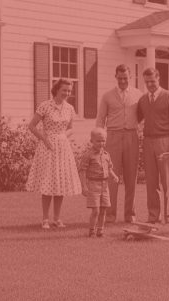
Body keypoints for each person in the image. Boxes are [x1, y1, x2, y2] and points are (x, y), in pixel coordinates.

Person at [26, 78, 82, 229]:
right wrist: (44, 138)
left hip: (63, 148)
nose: (67, 93)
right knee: (48, 182)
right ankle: (45, 219)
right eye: (64, 90)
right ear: (56, 89)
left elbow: (71, 128)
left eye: (69, 91)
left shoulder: (69, 108)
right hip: (47, 147)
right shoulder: (45, 106)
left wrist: (64, 135)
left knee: (60, 183)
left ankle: (57, 218)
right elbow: (32, 126)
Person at [95, 65, 143, 224]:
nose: (123, 81)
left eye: (126, 78)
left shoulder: (138, 94)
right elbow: (100, 120)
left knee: (131, 177)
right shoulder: (107, 96)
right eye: (120, 78)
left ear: (130, 77)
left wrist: (140, 132)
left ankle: (130, 214)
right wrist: (99, 141)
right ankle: (110, 214)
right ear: (115, 76)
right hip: (113, 136)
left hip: (131, 136)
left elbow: (143, 117)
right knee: (111, 177)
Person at [137, 67, 169, 224]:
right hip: (148, 142)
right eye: (147, 82)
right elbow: (138, 121)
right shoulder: (143, 100)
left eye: (152, 81)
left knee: (168, 181)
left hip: (165, 140)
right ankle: (153, 215)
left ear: (158, 78)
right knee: (151, 181)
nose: (150, 85)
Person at [78, 128, 120, 237]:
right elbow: (82, 170)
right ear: (91, 141)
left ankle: (100, 230)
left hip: (105, 186)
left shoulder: (106, 155)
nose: (101, 143)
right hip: (93, 185)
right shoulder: (88, 155)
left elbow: (109, 168)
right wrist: (84, 186)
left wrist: (114, 176)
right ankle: (92, 231)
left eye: (103, 140)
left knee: (103, 209)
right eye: (98, 141)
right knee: (96, 210)